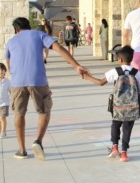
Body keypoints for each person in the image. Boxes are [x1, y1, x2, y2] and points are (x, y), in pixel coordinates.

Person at [5, 17, 90, 160]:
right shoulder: (39, 35)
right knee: (44, 111)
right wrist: (76, 65)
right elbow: (59, 48)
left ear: (16, 30)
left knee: (19, 114)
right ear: (29, 27)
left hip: (18, 82)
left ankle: (21, 150)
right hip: (38, 80)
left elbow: (8, 63)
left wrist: (15, 77)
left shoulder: (11, 41)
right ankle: (38, 141)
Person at [83, 45, 140, 162]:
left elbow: (100, 82)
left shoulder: (115, 71)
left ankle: (114, 147)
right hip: (132, 107)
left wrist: (88, 77)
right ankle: (124, 153)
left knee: (115, 124)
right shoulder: (136, 73)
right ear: (131, 59)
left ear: (120, 60)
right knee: (127, 128)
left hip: (117, 106)